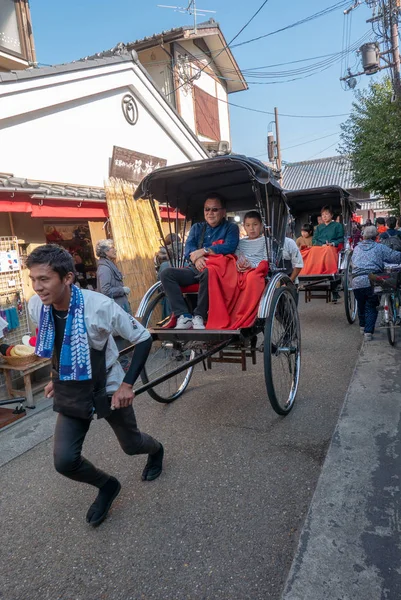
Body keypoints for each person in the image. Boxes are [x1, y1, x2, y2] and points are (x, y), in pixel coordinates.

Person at [27, 245, 164, 527]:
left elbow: (144, 338)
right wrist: (58, 378)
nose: (37, 287)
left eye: (44, 279)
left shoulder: (98, 306)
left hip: (108, 384)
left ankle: (157, 450)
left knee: (132, 444)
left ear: (67, 278)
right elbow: (57, 344)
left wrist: (127, 385)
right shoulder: (36, 306)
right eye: (33, 279)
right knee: (64, 460)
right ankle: (108, 486)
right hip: (71, 388)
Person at [160, 193, 239, 329]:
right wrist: (197, 259)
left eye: (214, 209)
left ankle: (199, 315)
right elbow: (189, 248)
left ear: (223, 212)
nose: (210, 213)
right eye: (207, 209)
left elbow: (229, 246)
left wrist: (204, 251)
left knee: (208, 272)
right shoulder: (197, 228)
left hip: (218, 271)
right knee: (166, 273)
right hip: (196, 268)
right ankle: (183, 315)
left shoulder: (231, 228)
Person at [351, 226, 401, 341]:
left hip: (356, 281)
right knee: (371, 306)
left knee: (361, 304)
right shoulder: (379, 247)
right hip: (372, 280)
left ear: (363, 236)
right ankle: (368, 332)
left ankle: (362, 327)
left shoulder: (357, 248)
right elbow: (395, 257)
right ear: (376, 237)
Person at [236, 211, 303, 284]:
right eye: (248, 225)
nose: (251, 228)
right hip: (246, 271)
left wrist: (289, 282)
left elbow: (298, 264)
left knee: (252, 278)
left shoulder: (288, 242)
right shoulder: (241, 242)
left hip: (284, 277)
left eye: (255, 225)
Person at [96, 240, 131, 370]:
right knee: (118, 337)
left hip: (119, 306)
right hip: (114, 308)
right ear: (105, 252)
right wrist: (122, 290)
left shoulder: (109, 265)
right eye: (111, 248)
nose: (114, 250)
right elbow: (105, 290)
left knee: (122, 335)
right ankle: (122, 365)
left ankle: (124, 363)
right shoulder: (104, 268)